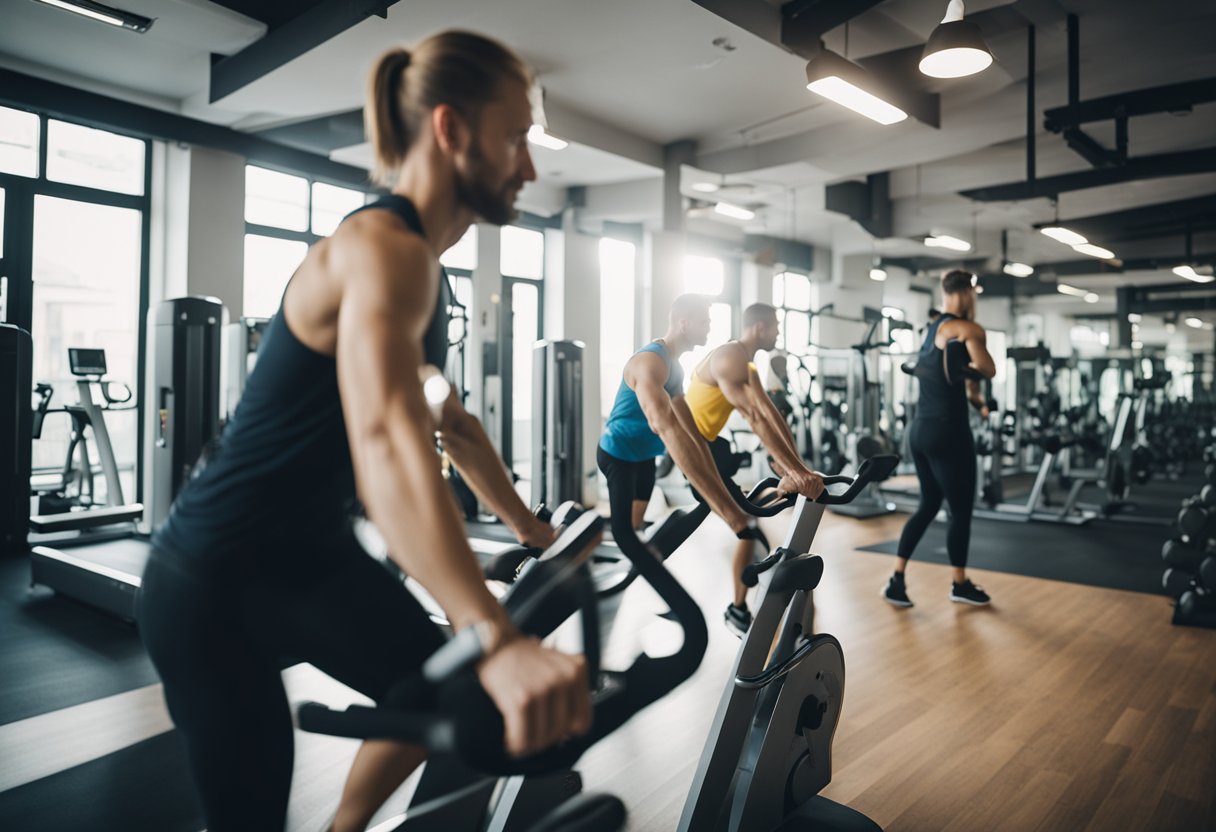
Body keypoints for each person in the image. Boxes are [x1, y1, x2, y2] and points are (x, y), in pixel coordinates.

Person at [138, 31, 592, 832]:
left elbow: (447, 421)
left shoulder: (425, 270)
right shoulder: (381, 248)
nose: (529, 166)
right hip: (211, 576)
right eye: (517, 136)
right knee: (249, 812)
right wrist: (492, 632)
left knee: (444, 693)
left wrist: (530, 530)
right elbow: (385, 438)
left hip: (307, 558)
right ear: (451, 129)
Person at [684, 303, 826, 635]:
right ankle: (736, 609)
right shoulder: (730, 356)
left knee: (755, 520)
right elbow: (754, 417)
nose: (778, 333)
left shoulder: (746, 366)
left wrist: (798, 466)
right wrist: (796, 473)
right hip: (698, 460)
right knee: (747, 529)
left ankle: (744, 606)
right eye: (776, 327)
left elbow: (771, 414)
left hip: (713, 454)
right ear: (760, 328)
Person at [597, 294, 759, 572]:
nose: (709, 328)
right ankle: (583, 541)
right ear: (684, 323)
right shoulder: (650, 361)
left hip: (644, 457)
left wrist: (721, 490)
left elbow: (691, 432)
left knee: (635, 533)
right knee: (625, 535)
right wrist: (727, 510)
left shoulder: (676, 367)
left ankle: (624, 569)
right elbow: (665, 426)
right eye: (705, 322)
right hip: (618, 455)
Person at [884, 270, 996, 609]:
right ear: (965, 293)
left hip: (920, 431)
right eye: (973, 293)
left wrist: (976, 400)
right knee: (960, 510)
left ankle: (896, 580)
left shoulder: (932, 329)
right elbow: (988, 368)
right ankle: (959, 584)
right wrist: (976, 373)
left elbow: (958, 377)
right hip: (949, 432)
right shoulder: (968, 329)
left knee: (929, 505)